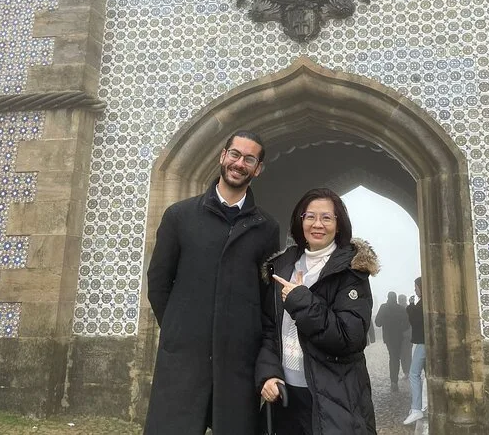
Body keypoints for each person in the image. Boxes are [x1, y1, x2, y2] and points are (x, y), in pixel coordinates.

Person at [144, 130, 280, 434]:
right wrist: (180, 329)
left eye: (249, 159)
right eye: (235, 154)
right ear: (222, 156)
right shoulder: (179, 216)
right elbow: (159, 282)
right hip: (184, 359)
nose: (239, 163)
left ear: (258, 169)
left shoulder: (266, 228)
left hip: (237, 363)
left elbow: (265, 297)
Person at [256, 188, 378, 435]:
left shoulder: (351, 271)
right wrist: (268, 373)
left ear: (339, 225)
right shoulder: (282, 265)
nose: (317, 224)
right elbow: (269, 328)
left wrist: (301, 300)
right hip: (287, 396)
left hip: (334, 397)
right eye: (310, 216)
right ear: (300, 221)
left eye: (326, 218)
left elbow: (349, 337)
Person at [375, 290, 409, 392]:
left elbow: (377, 323)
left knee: (392, 357)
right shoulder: (400, 308)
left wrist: (385, 321)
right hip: (398, 337)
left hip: (388, 338)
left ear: (388, 298)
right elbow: (407, 324)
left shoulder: (383, 307)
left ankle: (393, 381)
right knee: (396, 358)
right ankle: (394, 381)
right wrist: (401, 329)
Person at [404, 277, 427, 425]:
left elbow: (415, 320)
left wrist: (410, 306)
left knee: (413, 374)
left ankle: (417, 408)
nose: (414, 289)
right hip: (425, 342)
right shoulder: (425, 302)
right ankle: (423, 405)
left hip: (423, 343)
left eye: (416, 287)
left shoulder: (422, 304)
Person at [398, 294, 412, 378]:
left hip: (404, 335)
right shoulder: (408, 308)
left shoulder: (400, 309)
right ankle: (407, 371)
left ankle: (407, 372)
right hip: (408, 335)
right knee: (407, 354)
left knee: (404, 355)